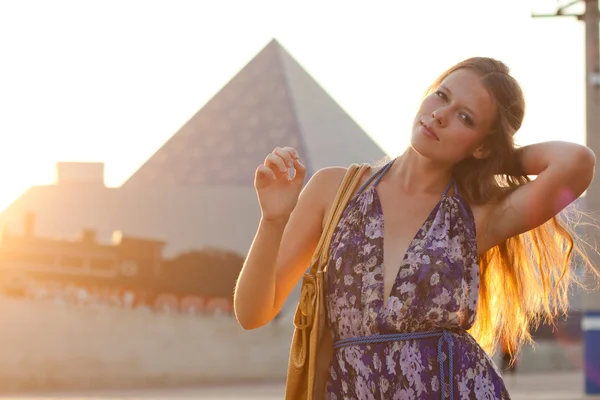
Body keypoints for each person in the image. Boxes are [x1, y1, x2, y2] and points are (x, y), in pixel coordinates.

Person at [233, 57, 597, 399]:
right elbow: (252, 313)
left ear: (483, 145)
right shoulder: (334, 190)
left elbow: (575, 163)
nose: (439, 115)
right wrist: (273, 219)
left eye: (465, 118)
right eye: (442, 95)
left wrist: (494, 155)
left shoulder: (475, 215)